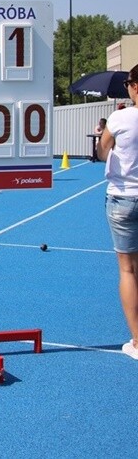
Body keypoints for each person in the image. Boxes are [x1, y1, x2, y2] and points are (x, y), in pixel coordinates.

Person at [97, 64, 138, 360]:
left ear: (133, 86)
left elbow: (101, 152)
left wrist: (106, 135)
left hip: (124, 197)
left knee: (128, 269)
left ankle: (137, 340)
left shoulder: (120, 117)